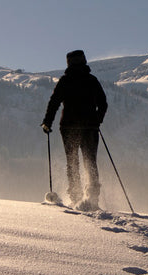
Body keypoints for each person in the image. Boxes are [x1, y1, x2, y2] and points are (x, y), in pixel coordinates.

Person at [41, 50, 108, 211]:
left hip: (68, 127)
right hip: (90, 128)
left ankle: (76, 197)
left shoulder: (65, 81)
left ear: (68, 63)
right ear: (84, 61)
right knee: (90, 161)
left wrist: (47, 123)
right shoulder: (92, 80)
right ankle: (92, 199)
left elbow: (54, 103)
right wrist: (96, 120)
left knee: (72, 162)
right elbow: (103, 104)